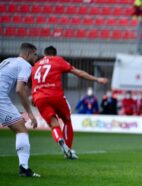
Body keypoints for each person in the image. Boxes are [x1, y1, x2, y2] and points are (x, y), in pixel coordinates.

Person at [31, 45, 108, 159]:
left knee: (54, 125)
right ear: (54, 54)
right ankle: (68, 150)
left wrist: (33, 96)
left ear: (45, 54)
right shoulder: (57, 60)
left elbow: (30, 83)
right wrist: (96, 79)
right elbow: (78, 73)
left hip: (39, 97)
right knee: (66, 120)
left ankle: (60, 140)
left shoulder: (36, 65)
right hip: (55, 95)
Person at [0, 43, 40, 177]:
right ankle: (24, 168)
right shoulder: (25, 65)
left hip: (2, 98)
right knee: (21, 129)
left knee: (18, 125)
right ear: (28, 54)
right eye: (35, 54)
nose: (36, 57)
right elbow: (19, 89)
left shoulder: (8, 60)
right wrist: (30, 113)